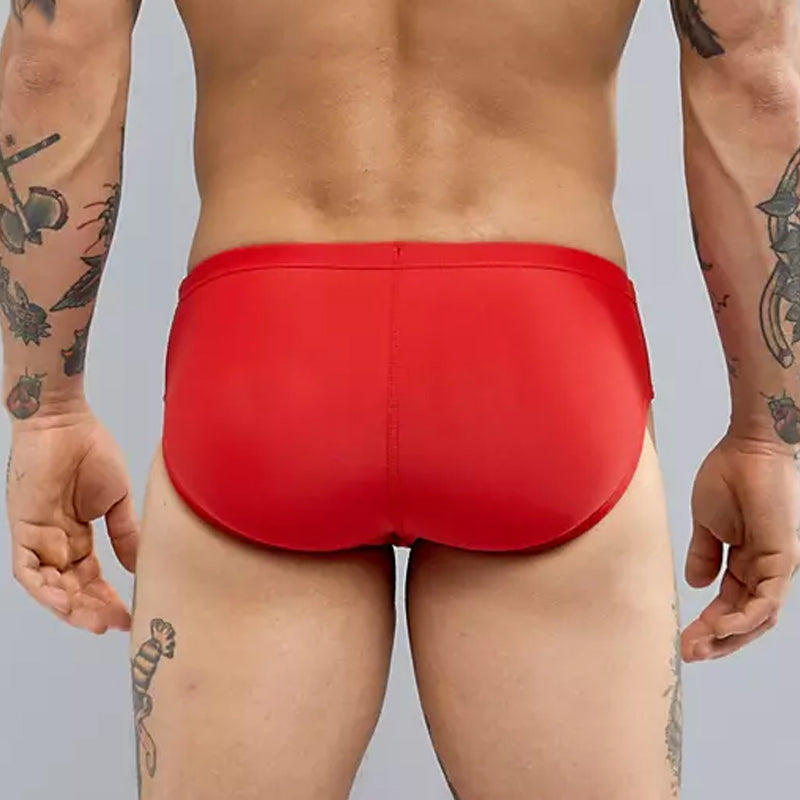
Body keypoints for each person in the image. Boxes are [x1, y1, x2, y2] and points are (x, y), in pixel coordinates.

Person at [2, 0, 799, 797]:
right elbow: (757, 83)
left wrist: (48, 410)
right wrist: (766, 435)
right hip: (536, 352)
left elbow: (51, 62)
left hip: (271, 350)